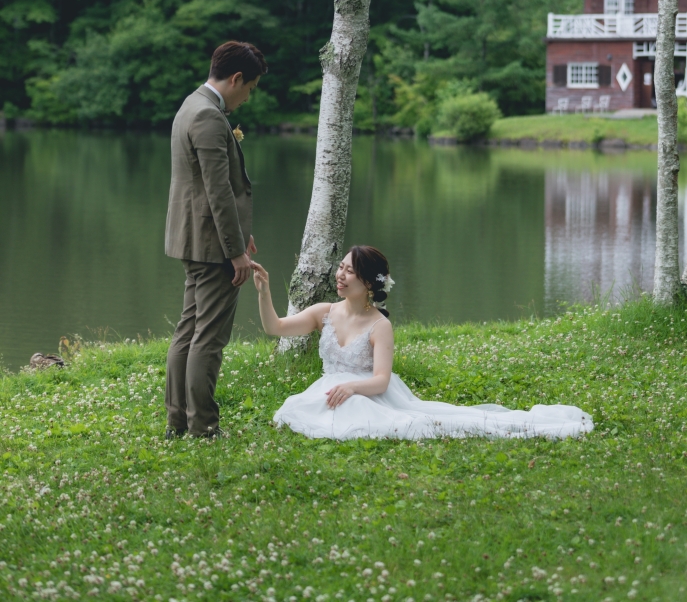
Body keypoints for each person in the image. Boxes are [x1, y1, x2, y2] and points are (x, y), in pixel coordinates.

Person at [253, 246, 592, 441]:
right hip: (327, 389)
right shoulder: (323, 312)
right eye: (340, 268)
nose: (340, 275)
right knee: (299, 413)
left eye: (350, 271)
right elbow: (275, 327)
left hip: (368, 393)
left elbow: (381, 379)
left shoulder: (379, 325)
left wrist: (353, 389)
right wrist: (264, 291)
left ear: (369, 282)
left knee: (395, 423)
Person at [164, 40, 267, 439]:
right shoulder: (208, 116)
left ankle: (178, 421)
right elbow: (217, 190)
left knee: (189, 330)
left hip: (195, 237)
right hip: (211, 245)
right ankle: (203, 426)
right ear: (236, 78)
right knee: (208, 337)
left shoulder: (191, 104)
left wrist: (242, 234)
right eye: (250, 88)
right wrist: (235, 251)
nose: (248, 97)